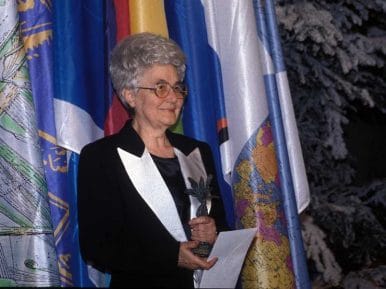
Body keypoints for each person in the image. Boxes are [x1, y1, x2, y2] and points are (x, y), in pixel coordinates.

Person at [77, 32, 229, 288]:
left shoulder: (197, 151)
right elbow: (98, 248)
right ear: (130, 95)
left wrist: (214, 233)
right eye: (160, 87)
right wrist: (171, 255)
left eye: (178, 87)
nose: (174, 97)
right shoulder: (102, 157)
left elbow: (222, 224)